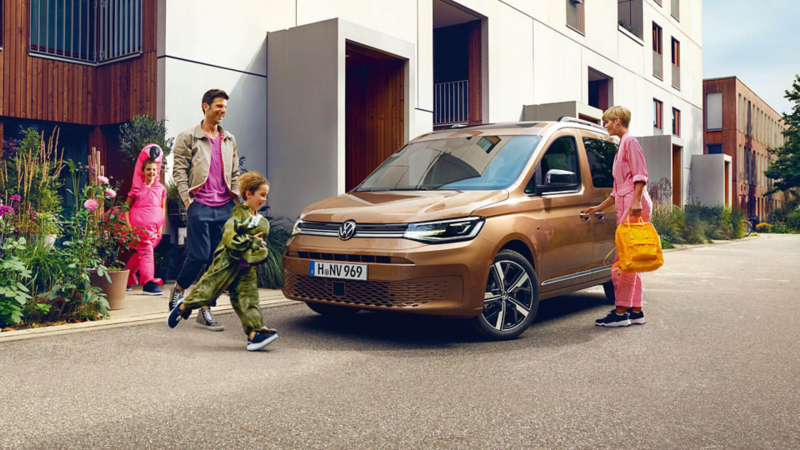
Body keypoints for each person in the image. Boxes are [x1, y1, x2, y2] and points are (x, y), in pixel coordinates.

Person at [166, 172, 278, 351]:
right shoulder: (235, 217)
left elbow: (260, 246)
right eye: (262, 195)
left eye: (266, 195)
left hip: (246, 269)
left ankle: (254, 334)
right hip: (226, 264)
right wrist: (251, 241)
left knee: (249, 300)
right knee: (208, 292)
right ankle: (184, 307)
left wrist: (257, 248)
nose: (264, 199)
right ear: (248, 194)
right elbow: (230, 240)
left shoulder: (263, 222)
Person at [171, 89, 241, 332]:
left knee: (217, 263)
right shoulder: (188, 137)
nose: (222, 111)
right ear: (206, 107)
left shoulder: (229, 139)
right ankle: (179, 289)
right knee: (199, 256)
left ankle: (205, 311)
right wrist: (187, 200)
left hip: (224, 206)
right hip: (199, 204)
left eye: (225, 107)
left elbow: (234, 173)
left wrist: (236, 199)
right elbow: (178, 170)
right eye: (219, 106)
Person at [585, 106, 653, 327]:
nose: (604, 125)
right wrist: (599, 207)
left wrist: (635, 202)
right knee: (633, 258)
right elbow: (618, 189)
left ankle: (621, 312)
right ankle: (636, 311)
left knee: (623, 261)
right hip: (629, 202)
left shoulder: (630, 141)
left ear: (617, 121)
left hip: (634, 205)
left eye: (606, 121)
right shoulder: (623, 143)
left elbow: (640, 175)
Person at [124, 144, 166, 295]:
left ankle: (126, 277)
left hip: (154, 228)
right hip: (139, 227)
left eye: (154, 170)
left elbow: (162, 207)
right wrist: (128, 224)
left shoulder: (161, 188)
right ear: (142, 171)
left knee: (142, 252)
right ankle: (148, 282)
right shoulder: (137, 188)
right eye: (148, 169)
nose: (151, 172)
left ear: (157, 171)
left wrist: (161, 224)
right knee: (146, 251)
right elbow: (126, 207)